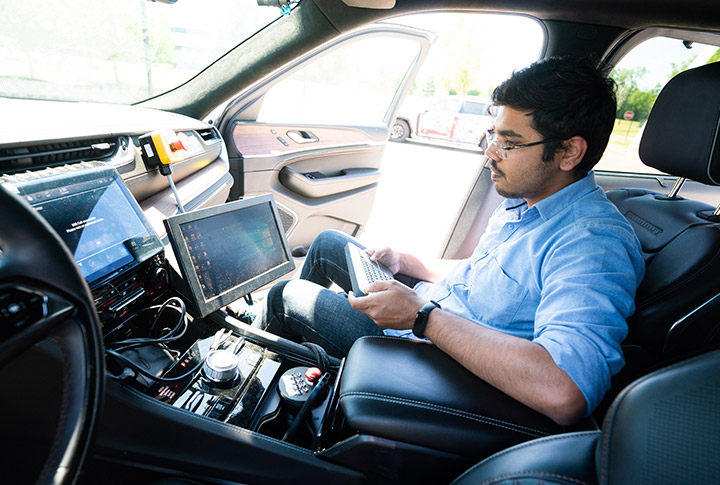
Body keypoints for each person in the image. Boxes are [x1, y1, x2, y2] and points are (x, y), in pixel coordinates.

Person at [256, 57, 645, 425]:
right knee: (327, 243)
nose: (491, 152)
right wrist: (408, 263)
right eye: (494, 134)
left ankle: (249, 405)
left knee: (285, 297)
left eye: (510, 143)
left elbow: (566, 389)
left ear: (568, 152)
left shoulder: (593, 242)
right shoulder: (528, 203)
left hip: (437, 362)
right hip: (435, 316)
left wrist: (422, 317)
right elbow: (486, 276)